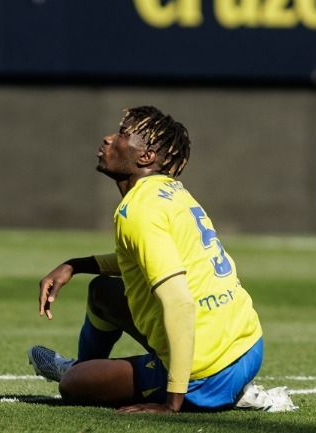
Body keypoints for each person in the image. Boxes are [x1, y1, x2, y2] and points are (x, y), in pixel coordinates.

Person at [27, 105, 294, 414]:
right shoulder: (172, 191)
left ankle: (81, 372)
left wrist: (172, 403)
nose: (108, 138)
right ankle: (90, 367)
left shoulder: (139, 211)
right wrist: (75, 264)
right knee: (102, 291)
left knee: (72, 385)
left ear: (145, 157)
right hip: (247, 345)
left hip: (207, 372)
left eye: (123, 135)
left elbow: (180, 303)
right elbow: (143, 258)